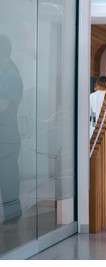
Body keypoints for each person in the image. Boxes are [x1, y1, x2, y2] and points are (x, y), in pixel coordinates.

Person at [0, 34, 23, 224]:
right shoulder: (4, 72)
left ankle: (13, 218)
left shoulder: (11, 76)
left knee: (8, 179)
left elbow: (3, 105)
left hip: (6, 138)